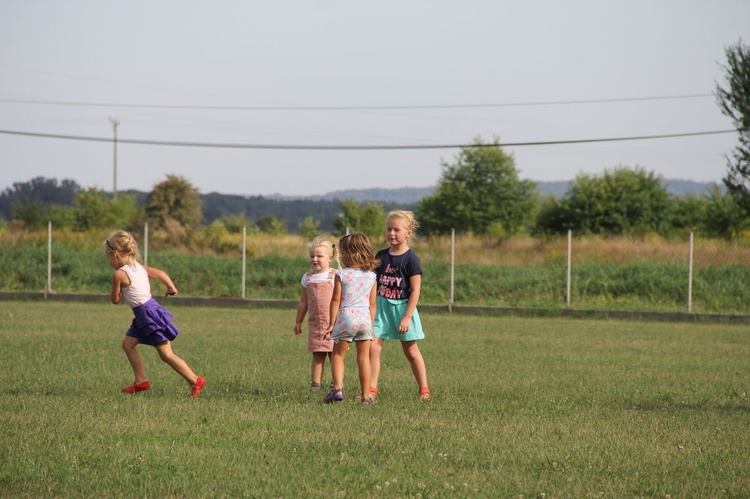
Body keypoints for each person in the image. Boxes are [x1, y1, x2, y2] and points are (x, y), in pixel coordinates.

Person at [105, 230, 205, 398]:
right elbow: (161, 274)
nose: (108, 262)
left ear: (114, 254)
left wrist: (117, 291)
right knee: (128, 345)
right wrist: (171, 287)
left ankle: (195, 380)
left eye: (108, 257)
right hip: (145, 313)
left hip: (148, 314)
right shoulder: (139, 268)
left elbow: (115, 300)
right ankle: (141, 380)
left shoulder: (119, 274)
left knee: (166, 355)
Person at [370, 210, 430, 400]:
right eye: (389, 229)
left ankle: (424, 390)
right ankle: (371, 390)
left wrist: (407, 316)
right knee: (373, 347)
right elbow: (373, 283)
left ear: (408, 232)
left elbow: (415, 291)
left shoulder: (411, 259)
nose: (392, 233)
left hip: (403, 309)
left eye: (397, 229)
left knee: (411, 352)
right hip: (381, 308)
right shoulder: (380, 255)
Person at [323, 232, 379, 404]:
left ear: (348, 254)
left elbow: (335, 300)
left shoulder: (342, 274)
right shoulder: (372, 276)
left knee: (338, 355)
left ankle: (337, 390)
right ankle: (366, 396)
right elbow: (372, 304)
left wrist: (332, 323)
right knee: (363, 358)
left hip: (346, 317)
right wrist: (371, 325)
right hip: (364, 319)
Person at [293, 237, 338, 389]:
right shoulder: (307, 278)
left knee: (334, 355)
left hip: (333, 324)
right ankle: (315, 384)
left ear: (330, 258)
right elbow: (303, 302)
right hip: (315, 324)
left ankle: (336, 383)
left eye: (319, 256)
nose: (315, 259)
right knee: (317, 354)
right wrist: (298, 321)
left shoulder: (335, 276)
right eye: (312, 256)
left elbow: (341, 300)